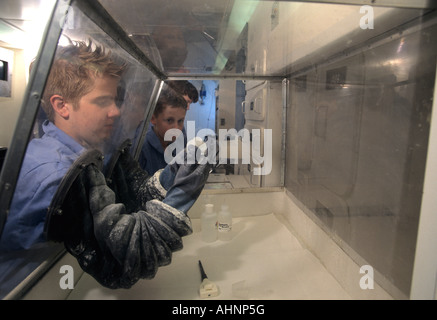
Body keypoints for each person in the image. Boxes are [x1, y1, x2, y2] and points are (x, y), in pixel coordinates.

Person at [0, 40, 211, 289]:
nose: (116, 111)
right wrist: (183, 193)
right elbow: (124, 261)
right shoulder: (57, 175)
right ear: (61, 105)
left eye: (115, 100)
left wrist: (174, 173)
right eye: (102, 102)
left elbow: (134, 195)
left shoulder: (90, 149)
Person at [139, 86, 188, 175]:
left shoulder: (180, 142)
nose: (176, 128)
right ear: (153, 119)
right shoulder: (142, 148)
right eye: (169, 120)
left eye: (180, 121)